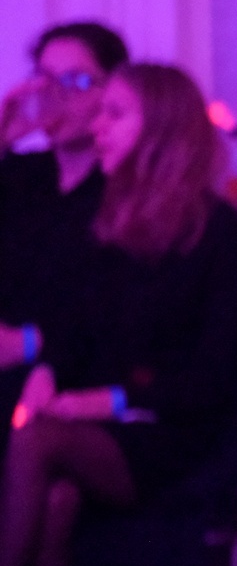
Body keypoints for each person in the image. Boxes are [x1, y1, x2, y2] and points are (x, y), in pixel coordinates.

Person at [0, 62, 237, 566]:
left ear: (163, 129)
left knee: (34, 439)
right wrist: (50, 371)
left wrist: (107, 400)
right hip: (106, 435)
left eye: (115, 114)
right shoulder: (106, 225)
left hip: (180, 434)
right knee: (55, 502)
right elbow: (74, 331)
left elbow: (210, 378)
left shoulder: (223, 237)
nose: (98, 126)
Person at [0, 23, 128, 397]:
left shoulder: (127, 191)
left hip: (78, 381)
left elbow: (121, 308)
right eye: (44, 80)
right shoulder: (20, 174)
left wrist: (27, 343)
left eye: (77, 82)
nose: (56, 96)